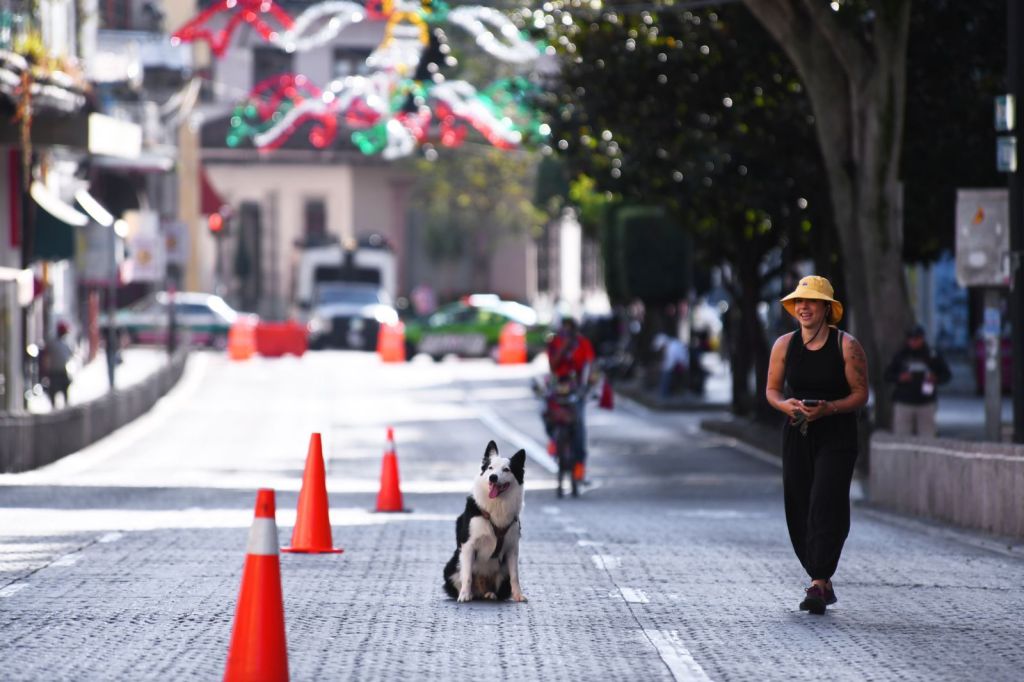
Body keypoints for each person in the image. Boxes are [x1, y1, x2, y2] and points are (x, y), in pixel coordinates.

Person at [765, 275, 869, 615]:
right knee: (799, 502)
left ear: (827, 308)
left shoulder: (846, 345)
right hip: (798, 432)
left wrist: (829, 408)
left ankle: (819, 579)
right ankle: (817, 573)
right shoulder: (783, 345)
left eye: (811, 301)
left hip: (837, 434)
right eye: (799, 302)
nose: (804, 307)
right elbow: (772, 391)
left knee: (826, 499)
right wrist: (787, 406)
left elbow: (860, 394)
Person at [546, 317, 596, 482]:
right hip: (559, 387)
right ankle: (554, 441)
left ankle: (579, 468)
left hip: (577, 389)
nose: (567, 333)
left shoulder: (583, 343)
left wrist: (590, 382)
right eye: (564, 330)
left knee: (579, 424)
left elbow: (590, 365)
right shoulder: (555, 343)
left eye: (570, 330)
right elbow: (553, 366)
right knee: (547, 413)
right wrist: (563, 348)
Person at [884, 325, 951, 438]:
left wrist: (935, 379)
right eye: (911, 339)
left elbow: (947, 375)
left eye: (916, 339)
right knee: (902, 438)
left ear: (922, 338)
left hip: (926, 403)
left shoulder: (932, 355)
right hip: (904, 402)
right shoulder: (901, 355)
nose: (913, 342)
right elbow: (887, 375)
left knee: (927, 439)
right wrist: (900, 377)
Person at [41, 321, 74, 409]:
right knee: (57, 391)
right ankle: (57, 407)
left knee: (62, 390)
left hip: (58, 371)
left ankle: (60, 407)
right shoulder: (58, 344)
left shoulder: (57, 343)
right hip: (57, 371)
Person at [652, 333, 688, 400]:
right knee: (664, 371)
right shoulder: (670, 346)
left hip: (680, 367)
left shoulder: (672, 347)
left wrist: (662, 367)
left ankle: (664, 393)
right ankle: (663, 391)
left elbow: (671, 363)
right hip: (677, 366)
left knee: (665, 374)